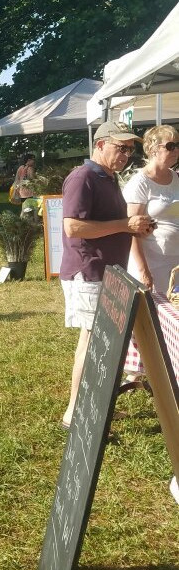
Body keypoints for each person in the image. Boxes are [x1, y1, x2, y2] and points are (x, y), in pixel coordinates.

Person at [59, 121, 153, 429]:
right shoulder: (83, 176)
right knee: (91, 342)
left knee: (103, 343)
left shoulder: (108, 177)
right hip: (89, 272)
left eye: (129, 150)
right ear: (99, 145)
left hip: (107, 272)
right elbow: (73, 227)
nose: (126, 155)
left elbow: (109, 222)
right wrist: (126, 225)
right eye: (120, 148)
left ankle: (97, 407)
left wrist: (135, 224)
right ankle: (75, 413)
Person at [122, 125, 179, 295]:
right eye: (170, 146)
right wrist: (143, 271)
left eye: (178, 145)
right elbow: (131, 230)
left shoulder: (176, 177)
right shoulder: (140, 183)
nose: (176, 150)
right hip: (152, 264)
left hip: (175, 263)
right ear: (154, 149)